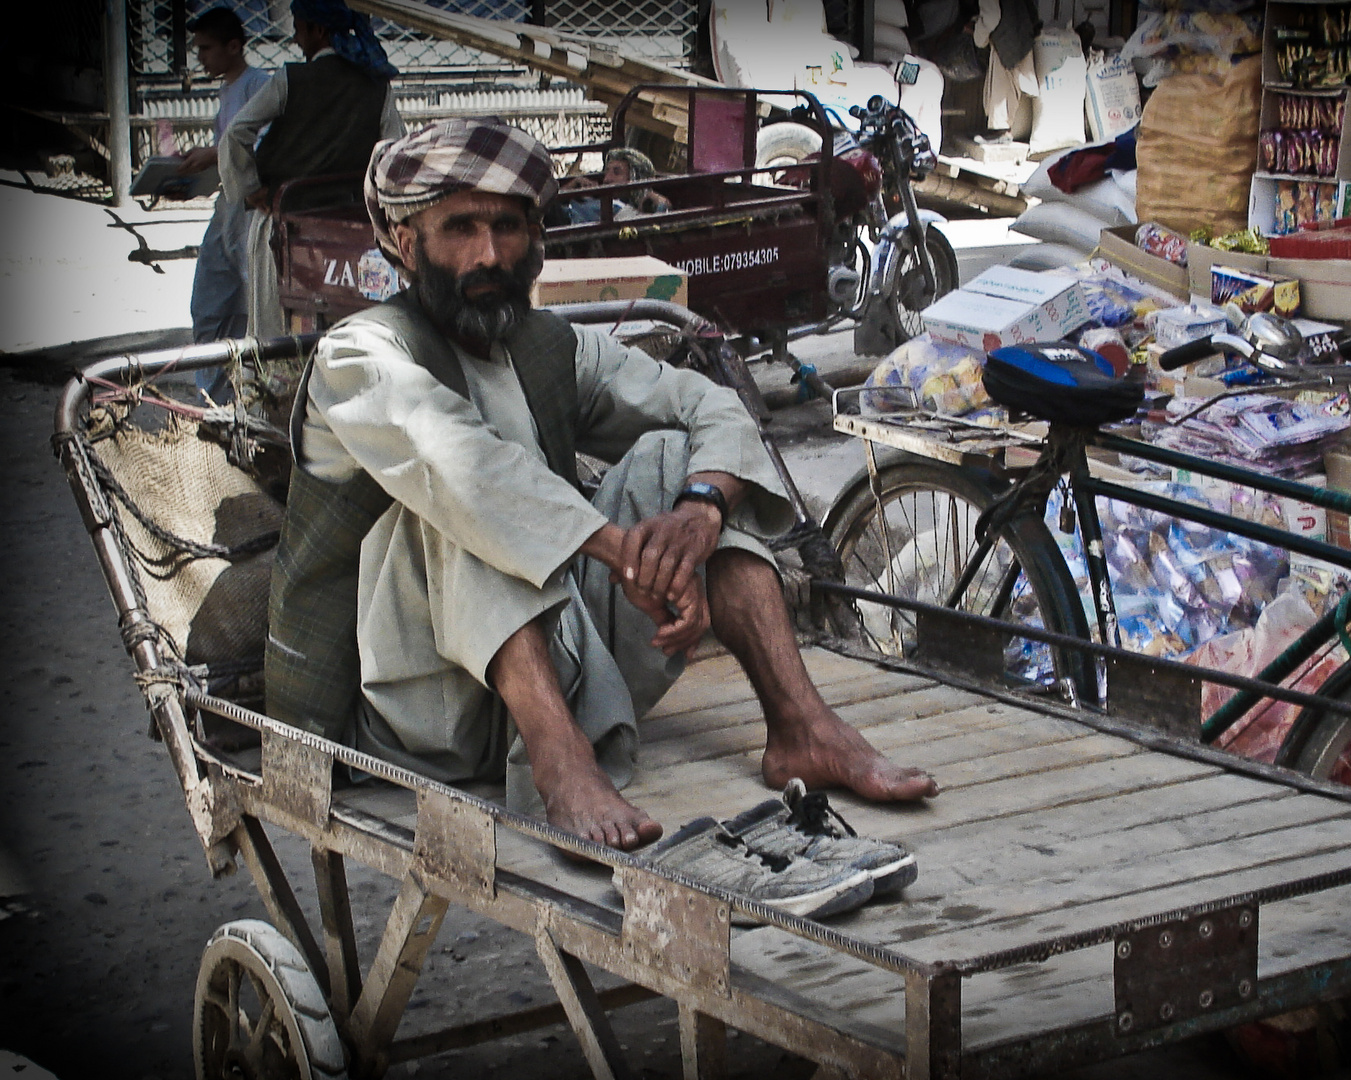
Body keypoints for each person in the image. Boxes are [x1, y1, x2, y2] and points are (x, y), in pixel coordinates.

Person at [266, 118, 938, 853]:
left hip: (562, 664)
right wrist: (624, 554)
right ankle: (562, 765)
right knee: (454, 501)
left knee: (684, 461)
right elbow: (462, 469)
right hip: (419, 710)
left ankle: (801, 725)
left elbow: (708, 406)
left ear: (536, 240)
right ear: (405, 242)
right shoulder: (358, 354)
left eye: (508, 228)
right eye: (459, 228)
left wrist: (700, 514)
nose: (488, 254)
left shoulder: (549, 346)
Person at [222, 0, 404, 339]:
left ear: (318, 31)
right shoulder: (376, 84)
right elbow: (395, 151)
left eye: (299, 27)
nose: (295, 37)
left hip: (284, 221)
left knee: (273, 331)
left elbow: (236, 134)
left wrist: (249, 188)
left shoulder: (291, 78)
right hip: (349, 224)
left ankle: (277, 389)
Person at [181, 7, 271, 361]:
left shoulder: (258, 85)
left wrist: (215, 154)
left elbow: (261, 148)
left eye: (206, 49)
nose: (200, 58)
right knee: (210, 304)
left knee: (254, 305)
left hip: (251, 209)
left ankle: (254, 389)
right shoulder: (227, 90)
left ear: (233, 46)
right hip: (228, 207)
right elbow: (227, 159)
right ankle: (216, 392)